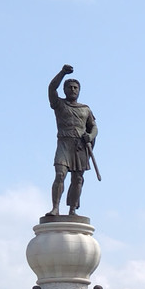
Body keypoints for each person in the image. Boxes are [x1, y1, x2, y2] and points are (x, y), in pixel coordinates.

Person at [47, 63, 98, 216]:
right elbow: (51, 88)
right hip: (64, 143)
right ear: (64, 90)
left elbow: (94, 127)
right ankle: (55, 208)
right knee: (60, 174)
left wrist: (91, 136)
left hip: (79, 146)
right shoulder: (59, 104)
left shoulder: (85, 109)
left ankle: (72, 209)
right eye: (70, 87)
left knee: (77, 179)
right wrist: (62, 73)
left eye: (76, 88)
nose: (73, 90)